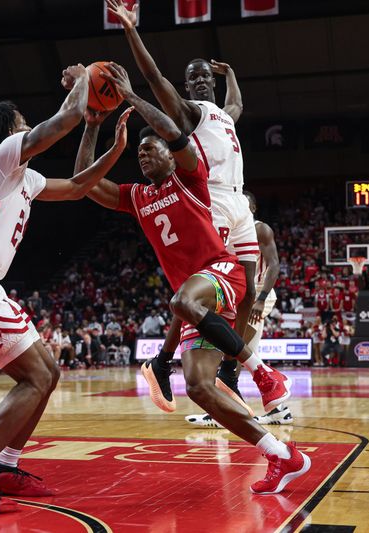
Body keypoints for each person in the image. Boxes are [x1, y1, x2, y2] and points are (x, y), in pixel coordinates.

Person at [76, 62, 308, 494]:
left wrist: (130, 97)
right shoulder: (137, 196)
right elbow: (85, 180)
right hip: (199, 302)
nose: (145, 154)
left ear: (170, 152)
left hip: (222, 274)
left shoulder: (191, 175)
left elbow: (175, 129)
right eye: (140, 153)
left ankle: (262, 374)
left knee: (180, 302)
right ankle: (281, 455)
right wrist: (92, 125)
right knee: (201, 388)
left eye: (153, 149)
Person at [0, 65, 133, 514]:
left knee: (48, 372)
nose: (28, 125)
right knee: (37, 376)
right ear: (9, 131)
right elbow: (60, 122)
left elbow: (80, 187)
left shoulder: (26, 179)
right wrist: (85, 78)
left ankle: (5, 466)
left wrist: (104, 137)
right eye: (22, 121)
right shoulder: (1, 159)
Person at [107, 0, 259, 412]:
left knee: (251, 292)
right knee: (200, 287)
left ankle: (228, 370)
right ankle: (164, 362)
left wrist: (234, 77)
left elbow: (238, 106)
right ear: (188, 87)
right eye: (195, 77)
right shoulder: (189, 112)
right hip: (212, 200)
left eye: (206, 75)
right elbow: (155, 77)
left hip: (239, 201)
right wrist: (131, 31)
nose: (202, 80)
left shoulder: (224, 114)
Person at [185, 191, 293, 427]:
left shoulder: (260, 229)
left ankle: (225, 410)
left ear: (251, 208)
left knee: (233, 349)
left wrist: (262, 298)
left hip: (255, 296)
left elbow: (274, 265)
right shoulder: (225, 230)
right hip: (233, 293)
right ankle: (278, 409)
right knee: (243, 352)